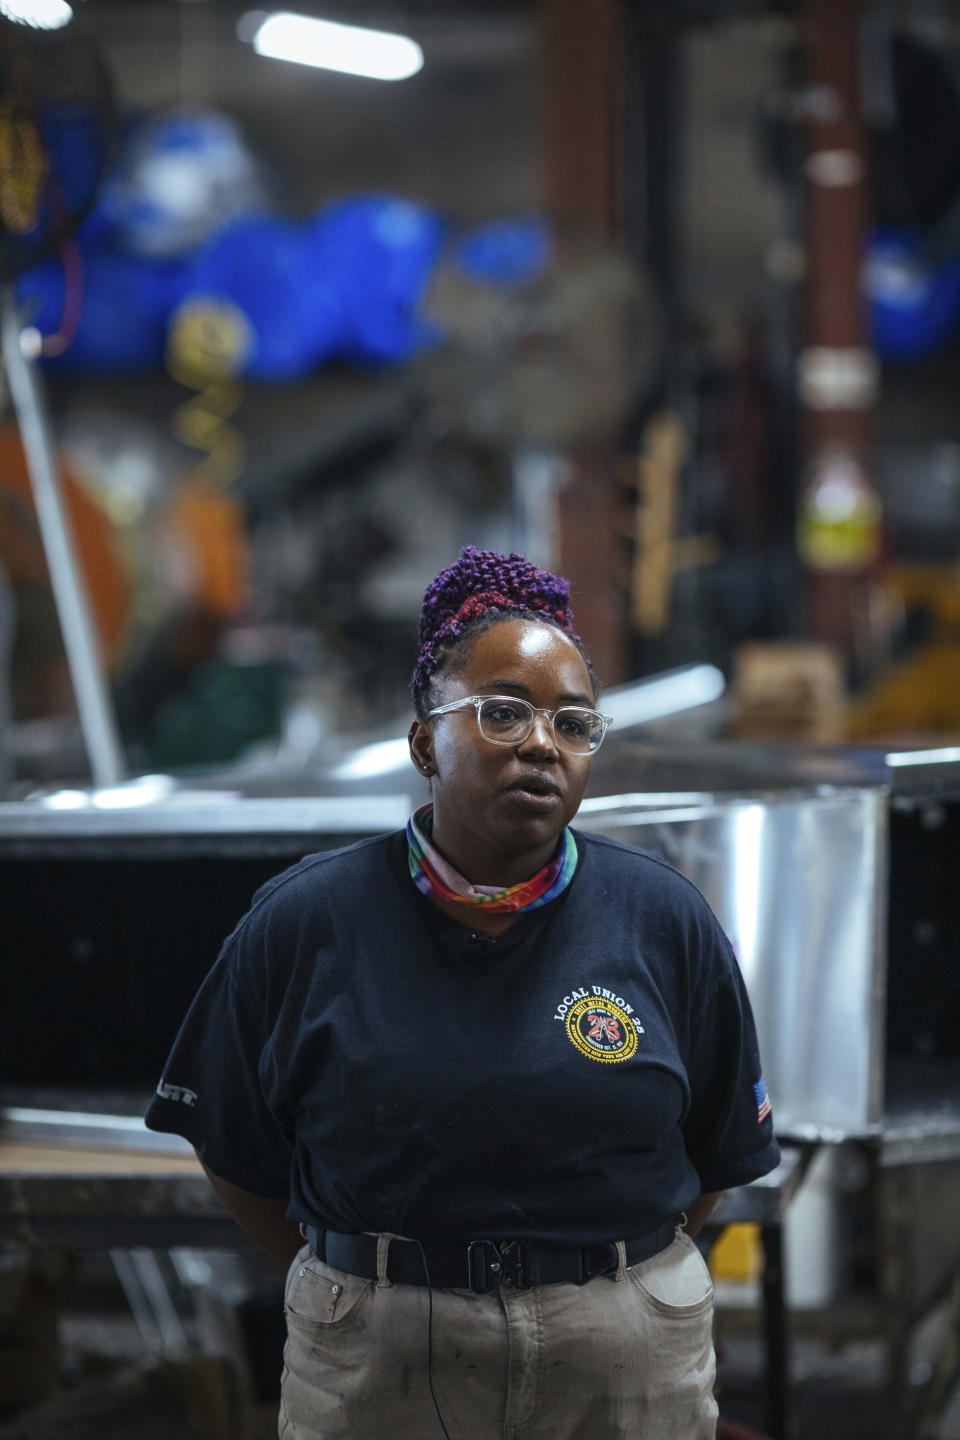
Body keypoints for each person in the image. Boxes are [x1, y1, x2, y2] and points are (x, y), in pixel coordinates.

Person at [146, 546, 780, 1440]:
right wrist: (374, 1289)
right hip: (382, 1359)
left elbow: (716, 1155)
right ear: (422, 742)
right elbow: (234, 1152)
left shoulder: (662, 916)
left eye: (573, 724)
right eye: (503, 713)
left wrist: (609, 1279)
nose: (540, 744)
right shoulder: (306, 922)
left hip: (622, 1351)